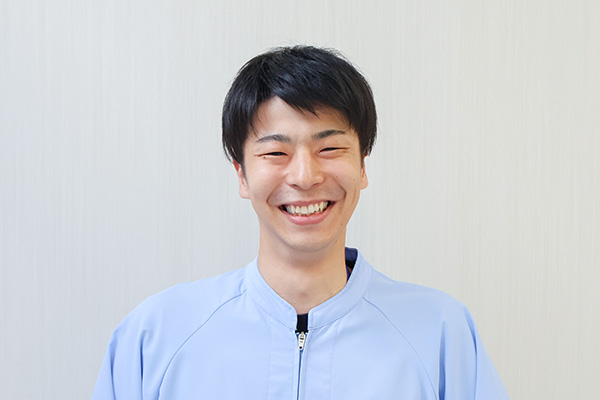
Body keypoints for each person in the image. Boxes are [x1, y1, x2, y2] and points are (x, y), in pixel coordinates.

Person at [92, 45, 509, 399]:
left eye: (330, 149)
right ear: (241, 175)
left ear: (363, 166)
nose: (305, 177)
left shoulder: (440, 334)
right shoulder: (156, 336)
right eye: (276, 153)